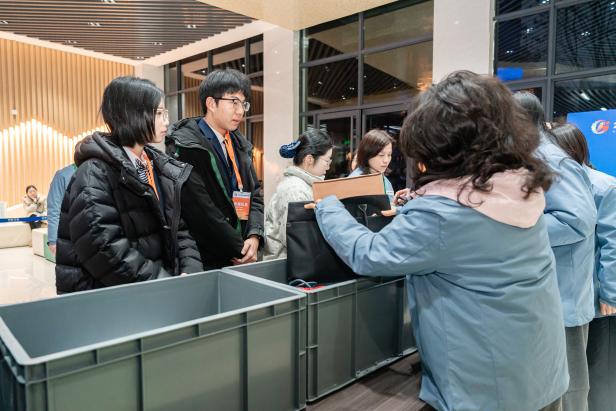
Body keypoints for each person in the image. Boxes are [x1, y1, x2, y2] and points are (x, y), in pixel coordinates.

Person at [314, 71, 568, 411]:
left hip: (485, 387)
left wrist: (328, 206)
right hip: (541, 370)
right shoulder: (520, 187)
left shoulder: (441, 214)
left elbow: (369, 254)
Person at [55, 76, 202, 293]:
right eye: (158, 113)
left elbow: (178, 228)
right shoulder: (94, 173)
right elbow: (105, 248)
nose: (166, 121)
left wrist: (191, 270)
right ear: (130, 114)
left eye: (165, 113)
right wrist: (162, 283)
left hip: (156, 289)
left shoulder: (155, 165)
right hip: (113, 297)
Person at [514, 92, 597, 411]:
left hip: (563, 299)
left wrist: (515, 230)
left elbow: (578, 220)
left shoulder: (552, 159)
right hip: (550, 295)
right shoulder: (536, 156)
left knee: (567, 390)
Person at [549, 122, 616, 411]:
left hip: (598, 295)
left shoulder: (603, 185)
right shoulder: (556, 184)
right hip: (571, 295)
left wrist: (611, 293)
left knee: (600, 369)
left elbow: (612, 244)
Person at [166, 69, 264, 268]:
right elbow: (202, 210)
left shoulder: (240, 145)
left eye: (243, 104)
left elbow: (255, 194)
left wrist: (254, 236)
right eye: (234, 102)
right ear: (211, 103)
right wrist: (238, 248)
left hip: (244, 253)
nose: (240, 111)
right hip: (207, 259)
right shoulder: (186, 147)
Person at [264, 129, 333, 259]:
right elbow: (298, 239)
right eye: (327, 161)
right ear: (309, 159)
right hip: (286, 264)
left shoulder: (302, 185)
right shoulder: (295, 190)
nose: (328, 167)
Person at [348, 129, 395, 203]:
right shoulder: (354, 181)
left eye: (389, 155)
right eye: (381, 155)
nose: (386, 160)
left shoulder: (384, 180)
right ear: (367, 154)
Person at [46, 163, 76, 255]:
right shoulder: (63, 175)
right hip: (70, 237)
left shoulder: (104, 171)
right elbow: (54, 209)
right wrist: (53, 240)